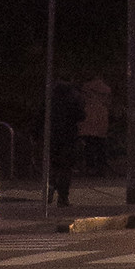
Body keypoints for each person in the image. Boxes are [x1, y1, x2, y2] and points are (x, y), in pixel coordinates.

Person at [48, 76, 86, 208]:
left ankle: (51, 186)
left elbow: (42, 115)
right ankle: (62, 198)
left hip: (52, 135)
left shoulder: (51, 97)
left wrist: (37, 134)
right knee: (66, 167)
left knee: (53, 164)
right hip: (69, 136)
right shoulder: (74, 97)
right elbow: (81, 115)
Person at [80, 75, 112, 178]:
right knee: (100, 146)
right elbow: (108, 100)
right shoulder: (104, 88)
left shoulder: (85, 88)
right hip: (100, 120)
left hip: (89, 120)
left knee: (89, 146)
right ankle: (101, 168)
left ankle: (91, 168)